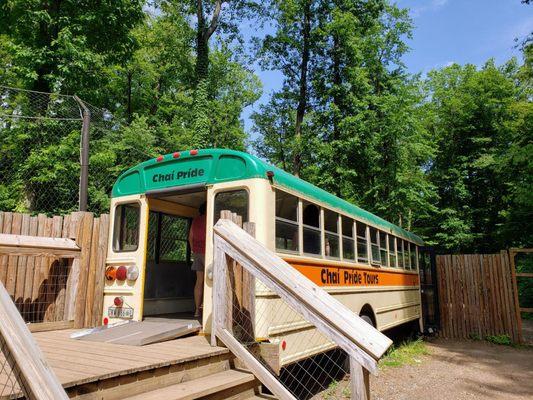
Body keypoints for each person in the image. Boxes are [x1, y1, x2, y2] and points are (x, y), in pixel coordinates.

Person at [189, 202, 206, 318]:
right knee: (211, 280)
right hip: (207, 252)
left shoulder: (195, 220)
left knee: (199, 281)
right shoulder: (210, 218)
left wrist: (193, 250)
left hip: (197, 253)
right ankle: (208, 308)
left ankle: (196, 310)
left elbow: (190, 237)